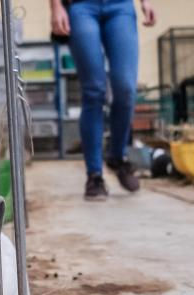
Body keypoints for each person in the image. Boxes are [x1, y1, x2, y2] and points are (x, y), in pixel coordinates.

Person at [50, 0, 156, 201]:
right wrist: (56, 6)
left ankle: (117, 156)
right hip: (81, 7)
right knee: (94, 91)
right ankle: (94, 175)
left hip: (120, 6)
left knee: (126, 88)